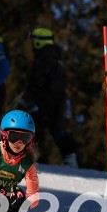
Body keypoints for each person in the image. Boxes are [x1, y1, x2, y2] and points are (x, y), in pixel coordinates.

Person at [27, 27, 78, 168]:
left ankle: (42, 162)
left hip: (51, 102)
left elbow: (46, 81)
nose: (31, 45)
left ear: (38, 42)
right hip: (50, 101)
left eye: (33, 41)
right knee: (50, 130)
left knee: (49, 130)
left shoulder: (47, 57)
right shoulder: (47, 56)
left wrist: (36, 85)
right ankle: (67, 160)